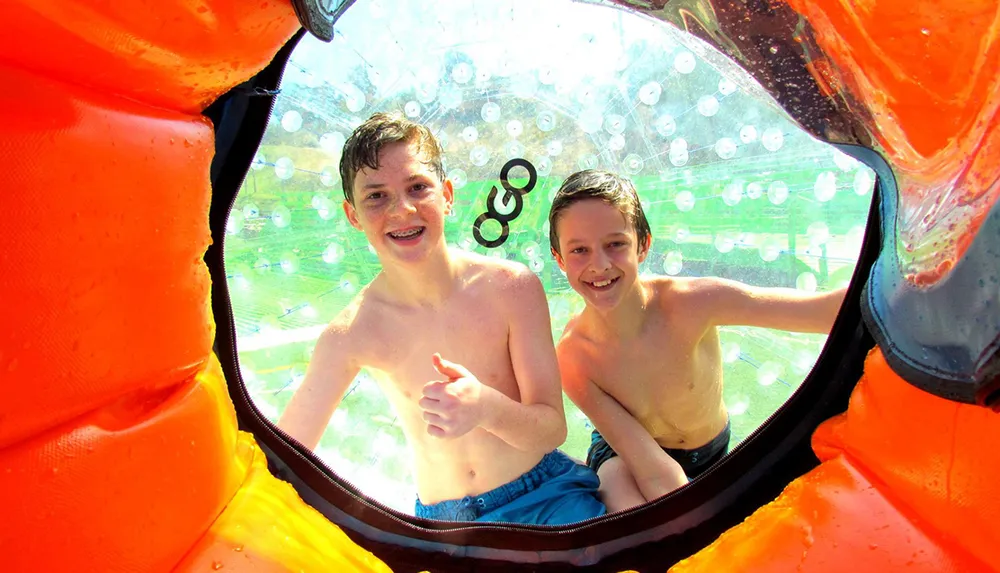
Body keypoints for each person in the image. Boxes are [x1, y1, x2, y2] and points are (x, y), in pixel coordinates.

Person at [278, 112, 606, 525]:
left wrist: (487, 407)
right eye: (376, 196)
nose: (402, 209)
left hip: (545, 494)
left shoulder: (512, 289)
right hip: (445, 525)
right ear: (353, 215)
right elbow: (283, 458)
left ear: (447, 195)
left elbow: (551, 430)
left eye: (418, 187)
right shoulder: (351, 334)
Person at [548, 169, 847, 513]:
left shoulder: (694, 303)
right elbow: (655, 472)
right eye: (579, 250)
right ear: (559, 260)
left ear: (643, 245)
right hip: (629, 455)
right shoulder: (573, 357)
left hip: (710, 449)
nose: (598, 265)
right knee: (628, 509)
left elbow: (821, 311)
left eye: (615, 244)